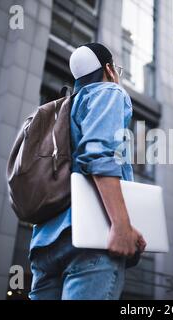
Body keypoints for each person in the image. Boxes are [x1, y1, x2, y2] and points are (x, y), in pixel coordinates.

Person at [28, 43, 146, 300]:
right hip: (91, 239)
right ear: (109, 69)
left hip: (44, 246)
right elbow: (98, 154)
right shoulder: (108, 93)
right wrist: (121, 225)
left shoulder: (63, 109)